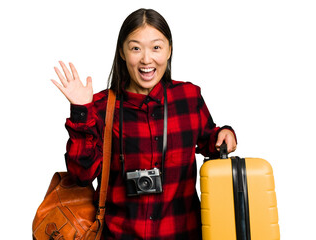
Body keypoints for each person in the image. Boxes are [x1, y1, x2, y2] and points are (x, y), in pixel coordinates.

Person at [51, 8, 237, 240]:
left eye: (156, 47)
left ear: (169, 50)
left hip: (181, 233)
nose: (146, 59)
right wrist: (81, 111)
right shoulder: (99, 107)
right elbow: (81, 175)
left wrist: (225, 133)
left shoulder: (189, 97)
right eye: (136, 48)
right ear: (122, 52)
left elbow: (211, 141)